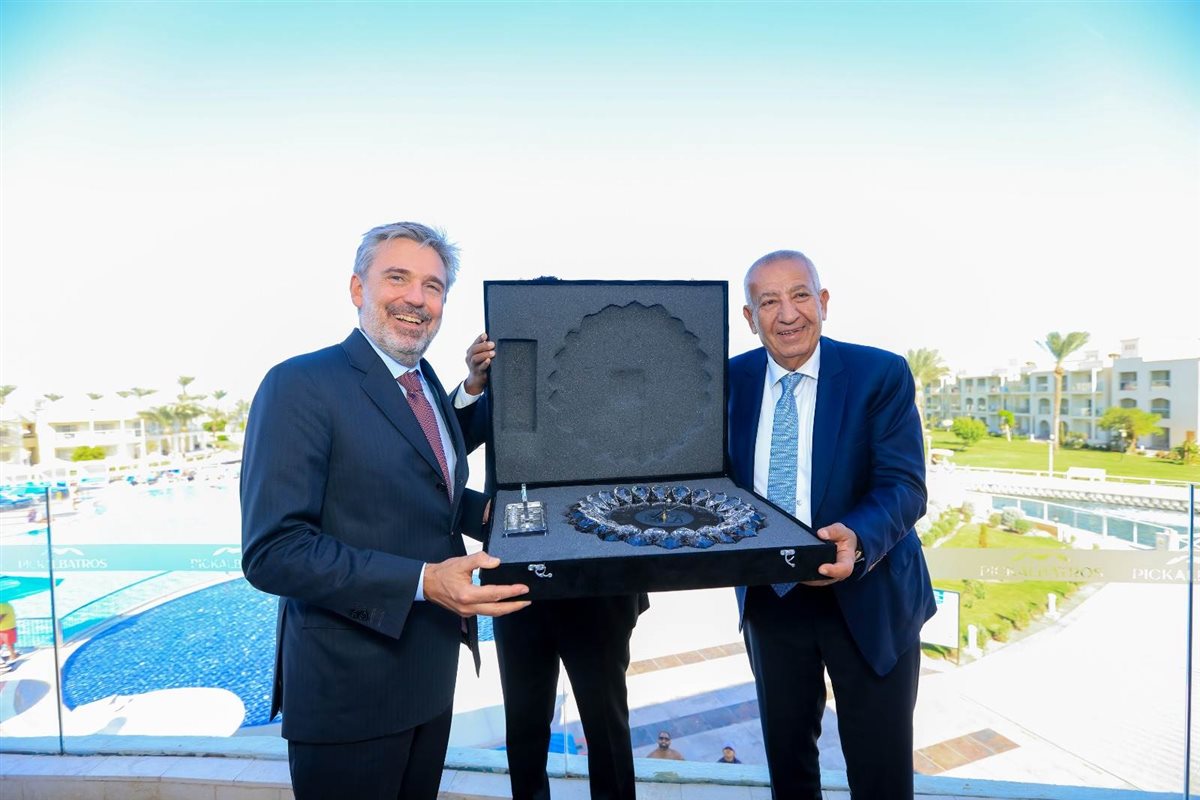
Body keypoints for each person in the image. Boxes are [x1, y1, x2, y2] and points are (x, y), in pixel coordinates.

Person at [240, 221, 530, 800]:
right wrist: (424, 581)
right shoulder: (299, 383)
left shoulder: (424, 381)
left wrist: (498, 516)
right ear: (358, 288)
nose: (416, 298)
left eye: (433, 286)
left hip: (430, 677)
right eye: (397, 278)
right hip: (350, 691)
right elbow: (274, 552)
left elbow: (425, 490)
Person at [728, 250, 935, 800]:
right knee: (789, 770)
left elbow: (904, 485)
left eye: (800, 295)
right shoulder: (727, 382)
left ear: (823, 302)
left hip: (871, 593)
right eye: (768, 301)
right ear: (749, 318)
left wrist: (857, 540)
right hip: (772, 599)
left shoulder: (879, 374)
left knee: (881, 775)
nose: (787, 314)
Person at [458, 327, 646, 800]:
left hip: (600, 590)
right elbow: (445, 449)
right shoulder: (508, 386)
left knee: (607, 730)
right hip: (517, 590)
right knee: (524, 732)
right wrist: (474, 384)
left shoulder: (616, 386)